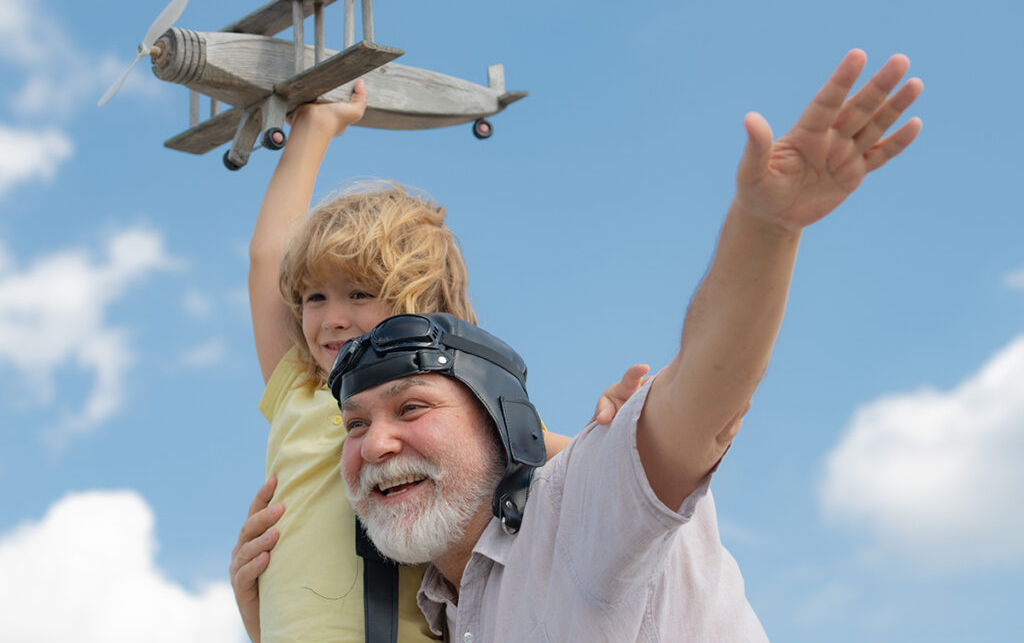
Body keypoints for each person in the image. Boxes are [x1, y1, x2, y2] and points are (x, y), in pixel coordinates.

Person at [331, 50, 923, 641]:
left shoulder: (584, 509)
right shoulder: (443, 606)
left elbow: (704, 396)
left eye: (412, 407)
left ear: (501, 421)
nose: (376, 444)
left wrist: (767, 229)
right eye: (355, 426)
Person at [228, 81, 641, 643]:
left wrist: (621, 432)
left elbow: (549, 454)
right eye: (315, 298)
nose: (333, 320)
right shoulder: (300, 390)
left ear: (419, 305)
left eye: (358, 294)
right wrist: (315, 128)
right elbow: (267, 260)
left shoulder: (452, 401)